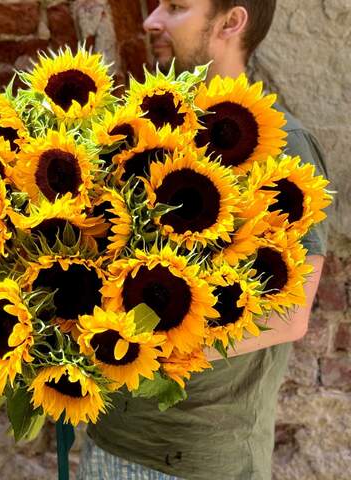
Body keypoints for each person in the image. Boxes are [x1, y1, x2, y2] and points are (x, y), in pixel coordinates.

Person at [77, 1, 329, 479]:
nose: (151, 20)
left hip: (197, 455)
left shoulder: (284, 148)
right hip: (110, 438)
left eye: (175, 7)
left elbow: (290, 315)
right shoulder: (145, 132)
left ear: (231, 22)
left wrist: (147, 345)